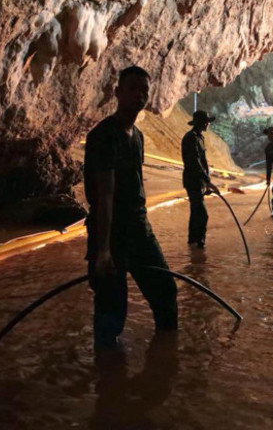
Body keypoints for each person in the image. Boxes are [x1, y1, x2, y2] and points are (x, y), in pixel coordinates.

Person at [84, 66, 178, 349]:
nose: (140, 95)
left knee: (165, 291)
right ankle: (109, 379)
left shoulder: (137, 136)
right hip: (111, 232)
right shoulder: (104, 135)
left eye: (144, 90)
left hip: (139, 227)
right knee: (112, 312)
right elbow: (105, 194)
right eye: (133, 88)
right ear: (117, 93)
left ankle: (166, 362)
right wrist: (102, 251)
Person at [181, 110, 220, 249]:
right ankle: (199, 243)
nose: (208, 124)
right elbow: (194, 162)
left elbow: (202, 162)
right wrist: (208, 181)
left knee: (196, 210)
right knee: (202, 214)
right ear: (201, 123)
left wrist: (206, 182)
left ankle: (192, 241)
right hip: (193, 180)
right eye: (206, 122)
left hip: (198, 180)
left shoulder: (199, 137)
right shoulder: (191, 138)